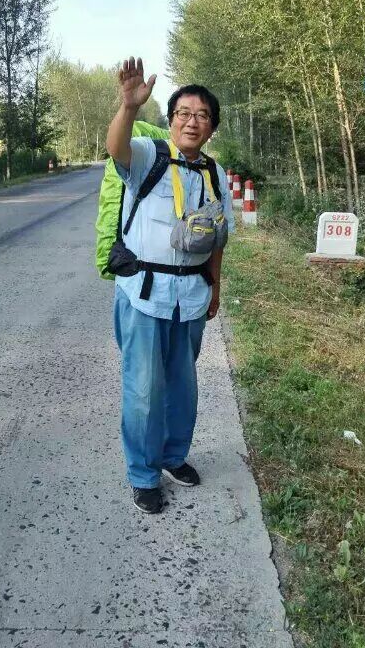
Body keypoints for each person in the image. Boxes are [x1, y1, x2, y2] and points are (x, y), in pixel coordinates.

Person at [106, 56, 235, 514]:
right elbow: (117, 147)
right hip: (144, 294)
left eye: (202, 115)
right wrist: (128, 107)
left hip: (191, 297)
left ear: (212, 126)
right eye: (184, 113)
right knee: (144, 390)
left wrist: (215, 287)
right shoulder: (148, 156)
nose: (192, 122)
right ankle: (143, 474)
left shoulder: (216, 174)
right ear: (171, 119)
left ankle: (173, 456)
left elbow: (218, 236)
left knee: (182, 387)